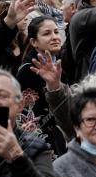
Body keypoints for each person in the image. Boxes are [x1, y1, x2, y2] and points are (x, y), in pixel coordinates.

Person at [16, 16, 67, 156]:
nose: (55, 37)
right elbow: (30, 119)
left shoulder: (59, 65)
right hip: (44, 146)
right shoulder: (28, 72)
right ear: (34, 42)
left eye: (56, 32)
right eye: (47, 33)